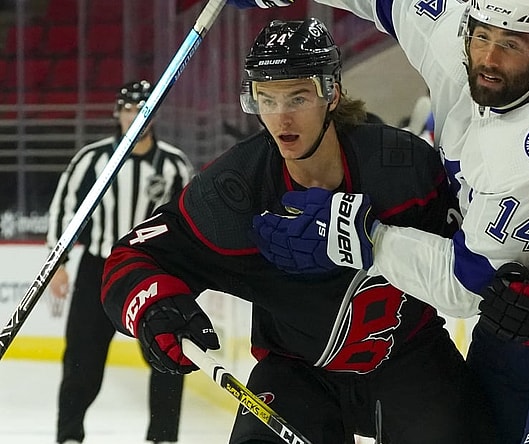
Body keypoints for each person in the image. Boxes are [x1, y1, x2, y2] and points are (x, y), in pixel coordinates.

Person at [234, 0, 529, 443]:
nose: (489, 59)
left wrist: (360, 233)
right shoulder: (454, 36)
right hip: (513, 303)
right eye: (482, 36)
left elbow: (462, 287)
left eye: (512, 44)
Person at [100, 18, 493, 444]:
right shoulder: (235, 190)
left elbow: (475, 253)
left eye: (298, 96)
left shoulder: (402, 166)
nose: (281, 117)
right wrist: (154, 307)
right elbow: (133, 257)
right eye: (266, 98)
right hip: (296, 373)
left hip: (409, 359)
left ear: (332, 93)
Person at [47, 80, 193, 444]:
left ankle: (162, 437)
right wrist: (58, 262)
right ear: (118, 113)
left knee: (167, 353)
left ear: (153, 115)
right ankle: (69, 436)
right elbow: (65, 210)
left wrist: (191, 271)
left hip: (153, 270)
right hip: (98, 269)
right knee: (81, 357)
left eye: (142, 109)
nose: (135, 117)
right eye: (128, 109)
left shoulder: (175, 165)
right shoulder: (91, 160)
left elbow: (191, 222)